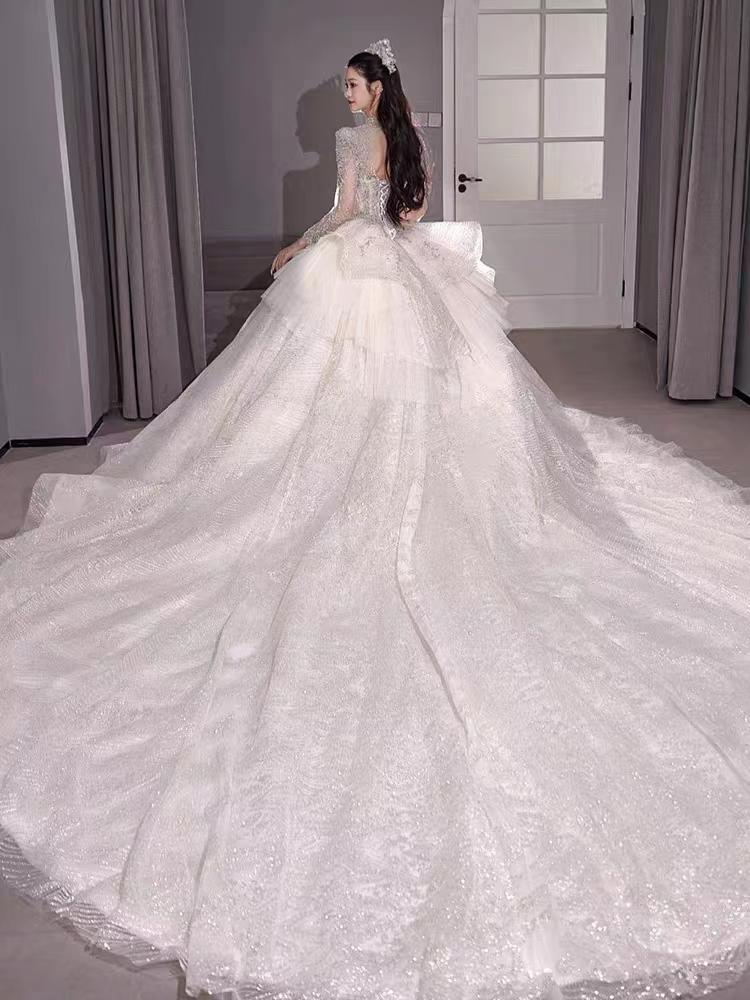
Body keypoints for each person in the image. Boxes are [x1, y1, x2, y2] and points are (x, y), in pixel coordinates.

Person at [1, 35, 749, 1000]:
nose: (345, 98)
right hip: (393, 269)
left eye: (352, 86)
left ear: (373, 87)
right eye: (346, 88)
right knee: (369, 392)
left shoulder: (358, 141)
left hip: (359, 270)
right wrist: (343, 235)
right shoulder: (399, 137)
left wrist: (305, 246)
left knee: (333, 393)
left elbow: (347, 212)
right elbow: (404, 217)